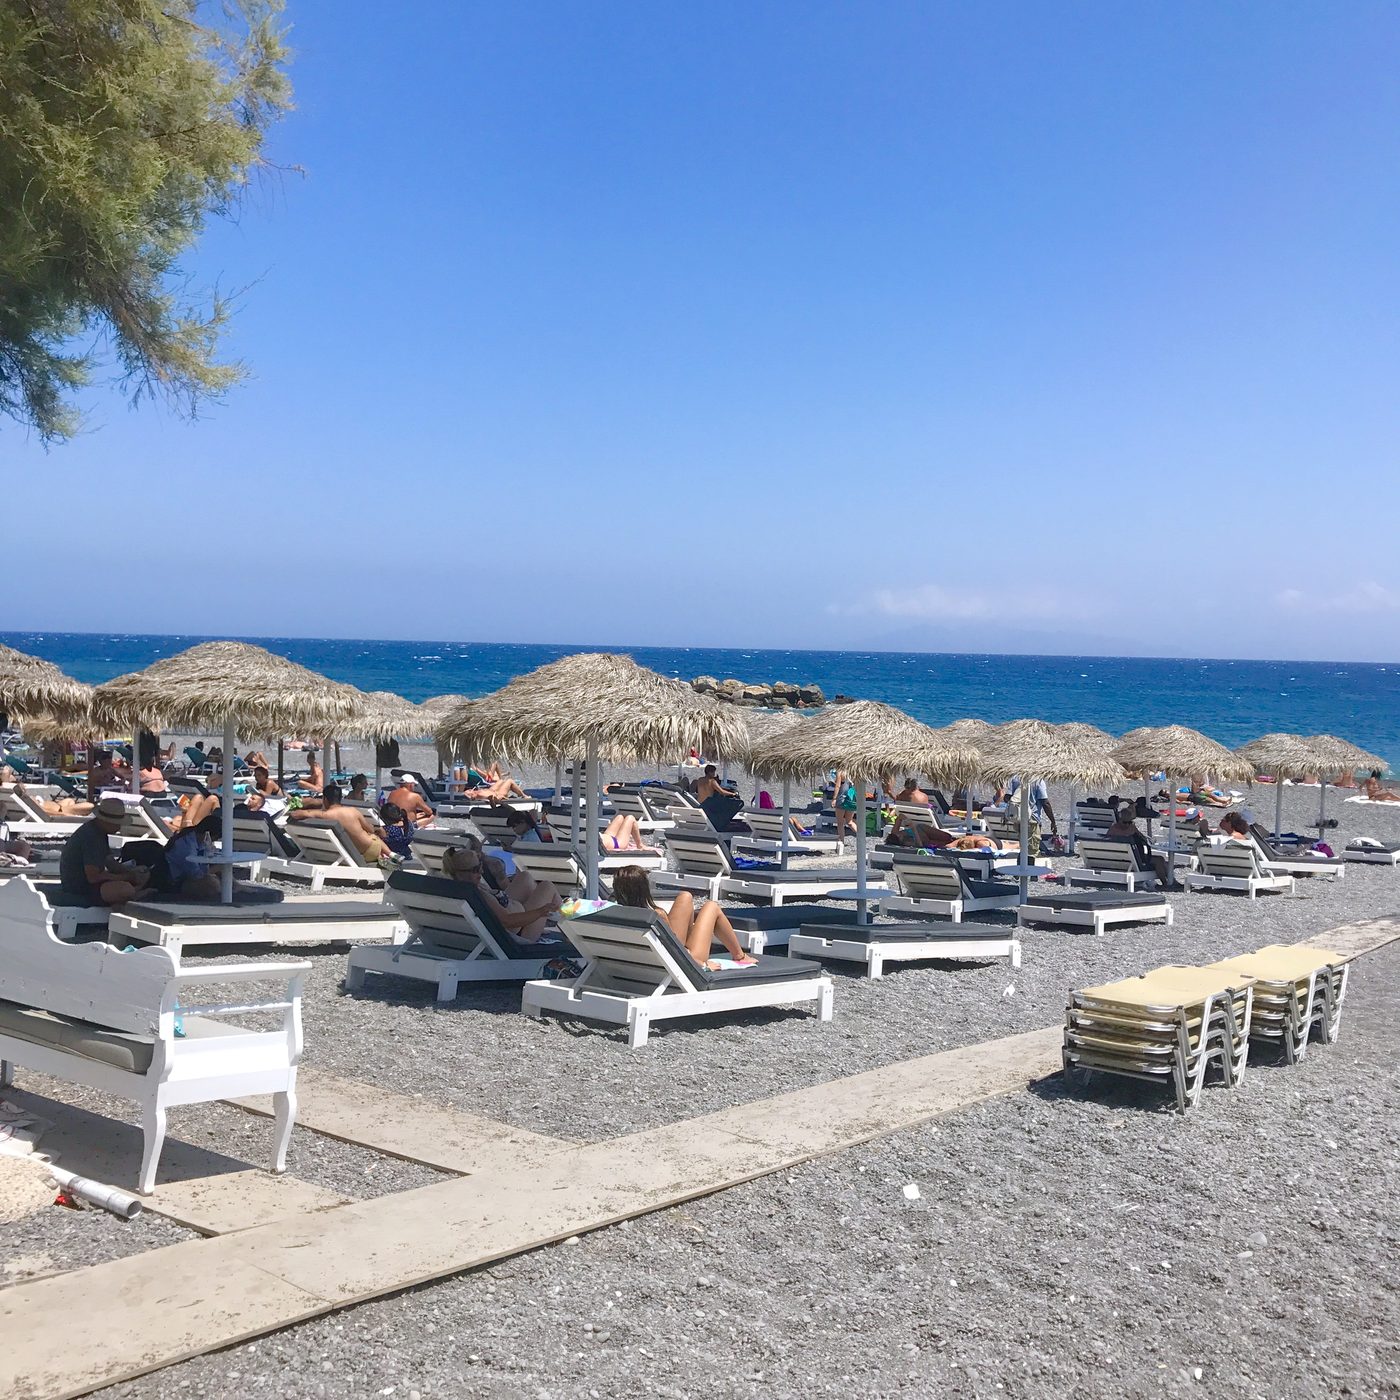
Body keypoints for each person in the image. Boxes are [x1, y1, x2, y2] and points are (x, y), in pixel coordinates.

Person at [611, 865, 757, 968]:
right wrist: (703, 965)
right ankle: (740, 956)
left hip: (644, 961)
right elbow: (673, 951)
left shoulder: (614, 913)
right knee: (711, 907)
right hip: (685, 961)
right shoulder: (655, 916)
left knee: (685, 896)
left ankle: (734, 953)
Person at [441, 847, 562, 942]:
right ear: (460, 873)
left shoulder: (459, 887)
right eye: (476, 869)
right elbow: (507, 921)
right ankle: (566, 922)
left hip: (515, 917)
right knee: (547, 886)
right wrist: (541, 911)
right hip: (521, 934)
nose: (481, 871)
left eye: (480, 865)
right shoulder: (478, 895)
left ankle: (552, 920)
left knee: (525, 876)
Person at [58, 797, 150, 906]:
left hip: (91, 884)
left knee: (142, 872)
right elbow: (93, 877)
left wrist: (131, 872)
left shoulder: (98, 831)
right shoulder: (92, 837)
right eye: (116, 824)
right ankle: (134, 892)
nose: (119, 827)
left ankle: (133, 892)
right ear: (106, 821)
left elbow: (109, 861)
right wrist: (127, 877)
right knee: (124, 889)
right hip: (80, 887)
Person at [289, 782, 392, 862]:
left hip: (360, 854)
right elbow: (370, 829)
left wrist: (310, 803)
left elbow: (296, 814)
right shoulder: (353, 811)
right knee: (374, 836)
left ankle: (386, 856)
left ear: (325, 799)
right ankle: (391, 854)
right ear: (340, 798)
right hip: (373, 848)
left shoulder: (325, 815)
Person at [1104, 803, 1174, 887]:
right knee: (1159, 860)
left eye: (1129, 822)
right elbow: (1144, 840)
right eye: (1125, 822)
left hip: (1117, 860)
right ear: (1120, 820)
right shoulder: (1130, 829)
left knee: (1161, 861)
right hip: (1133, 862)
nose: (1127, 824)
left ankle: (1172, 882)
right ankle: (1166, 884)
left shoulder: (1112, 830)